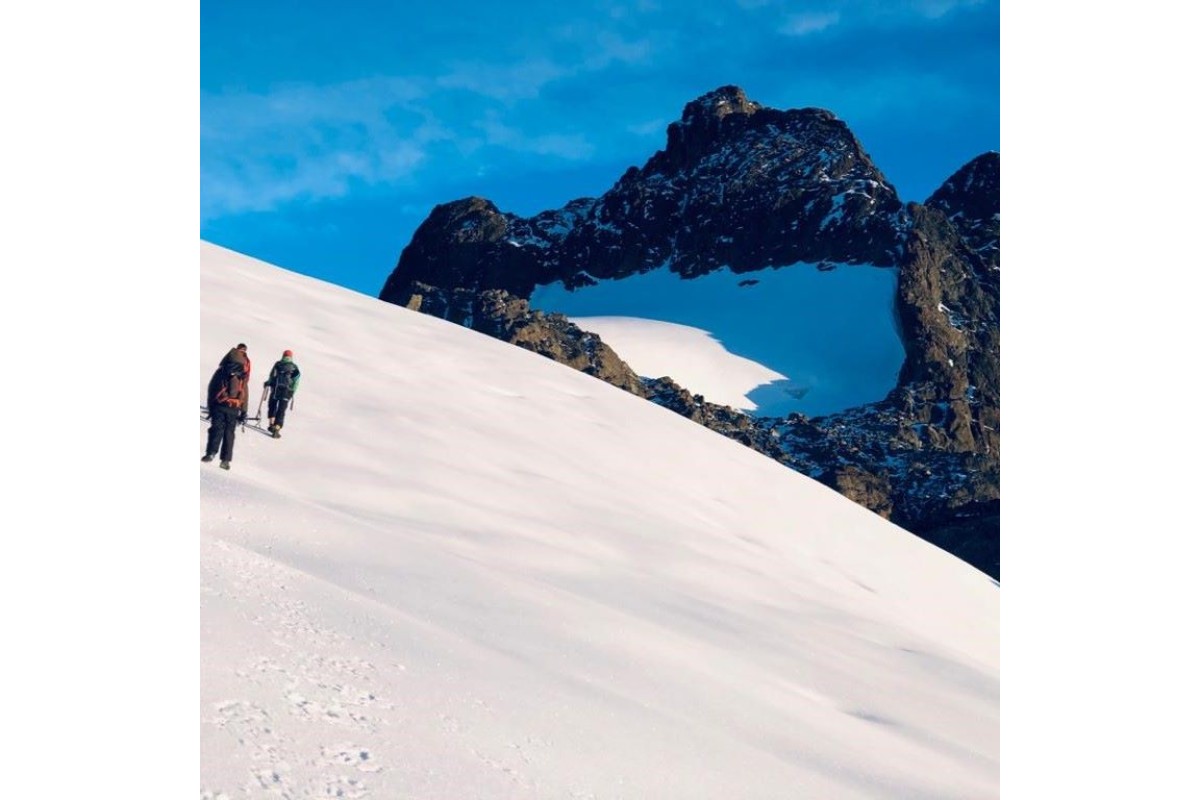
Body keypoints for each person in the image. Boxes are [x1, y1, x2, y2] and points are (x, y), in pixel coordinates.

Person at [203, 343, 252, 469]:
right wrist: (244, 411)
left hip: (220, 404)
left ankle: (211, 453)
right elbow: (245, 392)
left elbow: (212, 388)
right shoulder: (243, 373)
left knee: (216, 429)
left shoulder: (222, 369)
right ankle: (225, 460)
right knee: (229, 433)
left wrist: (210, 407)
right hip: (234, 406)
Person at [265, 349, 301, 438]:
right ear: (291, 357)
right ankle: (277, 428)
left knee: (272, 405)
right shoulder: (294, 368)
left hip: (276, 390)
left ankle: (271, 424)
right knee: (281, 410)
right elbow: (296, 382)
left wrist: (268, 383)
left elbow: (272, 376)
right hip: (286, 392)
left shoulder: (278, 364)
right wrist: (292, 392)